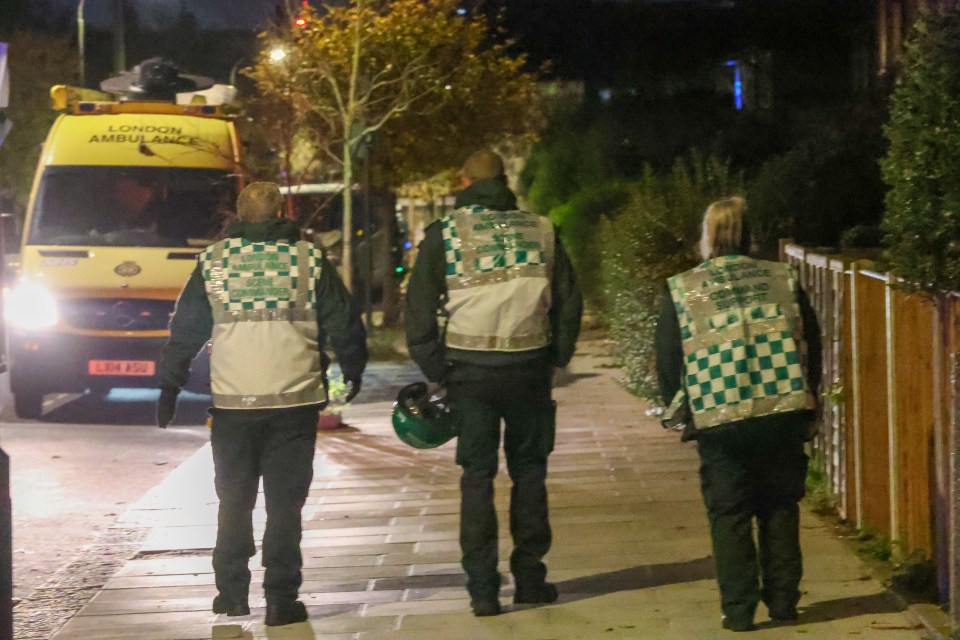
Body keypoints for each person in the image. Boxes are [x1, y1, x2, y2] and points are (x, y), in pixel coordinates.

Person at [155, 181, 368, 627]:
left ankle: (231, 594)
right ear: (281, 213)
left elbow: (187, 328)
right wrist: (353, 367)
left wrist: (170, 387)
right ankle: (281, 598)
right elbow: (342, 319)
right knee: (285, 504)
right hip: (294, 402)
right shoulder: (308, 259)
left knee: (233, 501)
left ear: (238, 214)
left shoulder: (213, 262)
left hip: (234, 405)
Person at [404, 149, 583, 616]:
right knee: (530, 474)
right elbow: (569, 300)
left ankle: (482, 590)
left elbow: (418, 312)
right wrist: (556, 359)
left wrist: (439, 372)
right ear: (505, 181)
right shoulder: (542, 230)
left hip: (470, 373)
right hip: (528, 370)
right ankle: (529, 579)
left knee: (476, 478)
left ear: (465, 181)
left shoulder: (446, 235)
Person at [655, 196, 821, 632]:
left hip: (718, 418)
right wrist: (810, 398)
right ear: (750, 236)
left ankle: (739, 609)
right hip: (782, 411)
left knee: (729, 514)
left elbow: (670, 361)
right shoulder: (782, 278)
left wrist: (682, 407)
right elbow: (812, 343)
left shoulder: (684, 288)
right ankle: (784, 602)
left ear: (707, 237)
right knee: (780, 506)